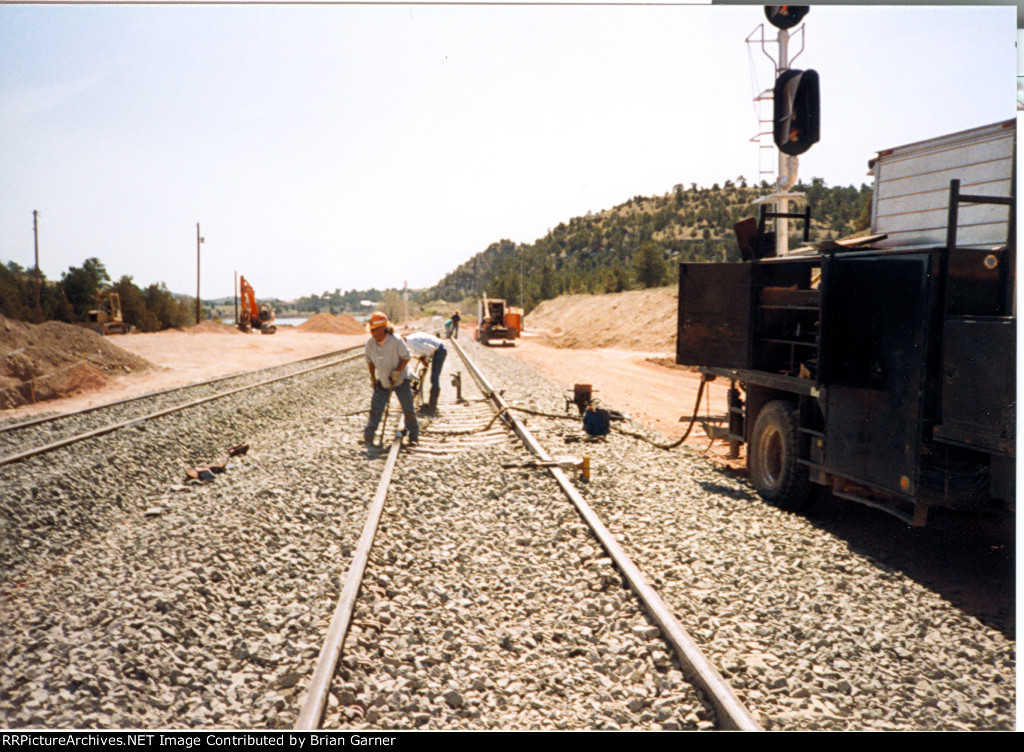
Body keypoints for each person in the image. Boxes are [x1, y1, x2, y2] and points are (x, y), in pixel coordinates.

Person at [363, 312, 419, 446]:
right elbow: (369, 361)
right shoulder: (370, 344)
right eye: (371, 330)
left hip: (400, 380)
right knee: (376, 409)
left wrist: (397, 371)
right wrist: (372, 378)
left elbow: (406, 357)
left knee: (408, 409)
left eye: (374, 330)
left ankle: (414, 436)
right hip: (382, 380)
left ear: (383, 328)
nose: (372, 333)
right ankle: (368, 437)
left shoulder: (396, 340)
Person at [406, 331, 447, 415]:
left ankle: (432, 406)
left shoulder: (412, 344)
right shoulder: (410, 339)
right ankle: (432, 405)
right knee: (434, 378)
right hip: (438, 348)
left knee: (434, 378)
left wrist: (425, 360)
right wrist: (423, 358)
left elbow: (431, 349)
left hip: (440, 350)